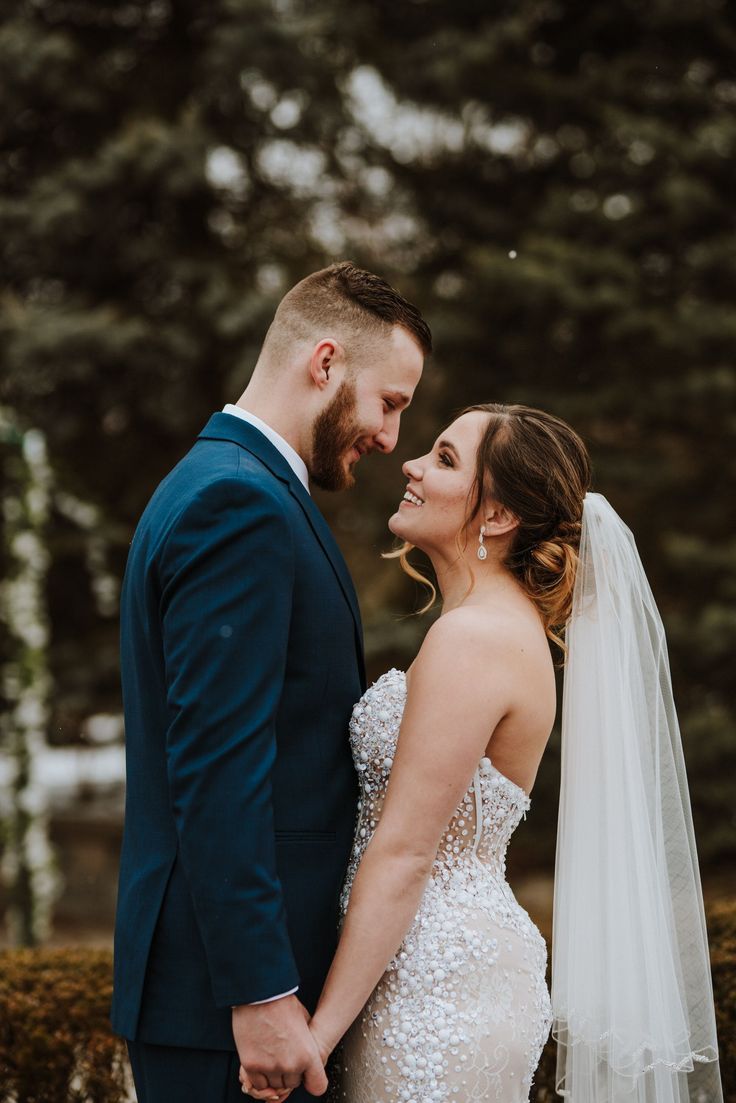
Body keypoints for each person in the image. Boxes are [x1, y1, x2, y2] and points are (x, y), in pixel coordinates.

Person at [243, 403, 723, 1103]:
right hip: (410, 966)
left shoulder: (476, 639)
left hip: (436, 986)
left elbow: (406, 852)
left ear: (496, 517)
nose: (409, 464)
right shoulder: (492, 629)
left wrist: (314, 1037)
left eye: (442, 458)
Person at [110, 261, 430, 1103]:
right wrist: (260, 992)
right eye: (390, 403)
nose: (393, 438)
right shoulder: (238, 504)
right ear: (325, 363)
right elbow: (219, 766)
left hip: (225, 997)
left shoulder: (231, 483)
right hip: (229, 1010)